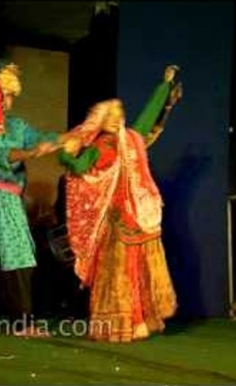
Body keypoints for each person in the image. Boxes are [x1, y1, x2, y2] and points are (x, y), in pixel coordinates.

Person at [58, 67, 182, 342]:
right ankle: (125, 323)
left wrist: (164, 86)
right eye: (110, 117)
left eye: (118, 116)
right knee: (120, 274)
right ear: (100, 121)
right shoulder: (100, 148)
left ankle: (143, 320)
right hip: (117, 220)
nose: (115, 121)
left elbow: (148, 117)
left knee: (140, 268)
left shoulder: (133, 139)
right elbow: (79, 166)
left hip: (140, 214)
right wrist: (67, 157)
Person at [0, 63, 66, 337]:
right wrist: (31, 153)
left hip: (10, 201)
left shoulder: (16, 124)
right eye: (3, 94)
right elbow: (0, 154)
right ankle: (21, 322)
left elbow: (39, 137)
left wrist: (66, 138)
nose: (7, 101)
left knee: (6, 259)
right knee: (10, 258)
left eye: (10, 96)